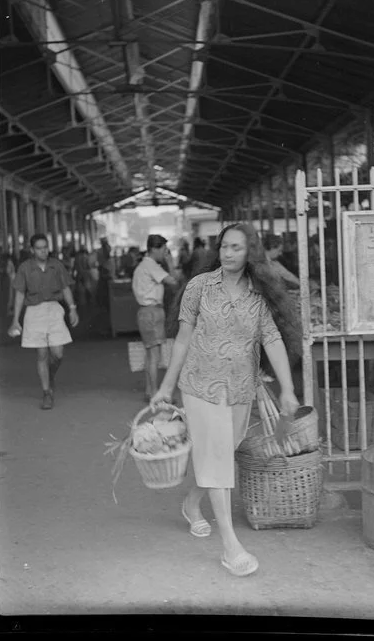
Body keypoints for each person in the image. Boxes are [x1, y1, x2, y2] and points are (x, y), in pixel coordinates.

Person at [151, 223, 302, 578]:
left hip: (239, 388)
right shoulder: (200, 287)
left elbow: (273, 340)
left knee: (224, 451)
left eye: (236, 247)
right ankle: (231, 546)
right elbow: (183, 340)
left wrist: (288, 389)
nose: (229, 253)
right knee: (218, 460)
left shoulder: (260, 294)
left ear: (251, 251)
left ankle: (191, 503)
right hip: (200, 386)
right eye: (224, 247)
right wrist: (165, 387)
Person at [9, 233, 79, 410]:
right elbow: (19, 294)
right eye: (39, 248)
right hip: (34, 311)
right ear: (32, 250)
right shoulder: (25, 268)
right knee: (41, 354)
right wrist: (15, 320)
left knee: (58, 353)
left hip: (54, 309)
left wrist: (72, 308)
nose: (43, 251)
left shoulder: (56, 265)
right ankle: (46, 392)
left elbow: (65, 288)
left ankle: (50, 375)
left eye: (45, 247)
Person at [132, 235, 179, 403]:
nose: (165, 253)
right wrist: (171, 262)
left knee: (150, 354)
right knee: (154, 356)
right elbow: (173, 280)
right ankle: (155, 394)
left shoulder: (143, 266)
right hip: (152, 312)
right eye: (164, 250)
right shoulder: (151, 265)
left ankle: (149, 390)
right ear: (155, 249)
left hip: (146, 312)